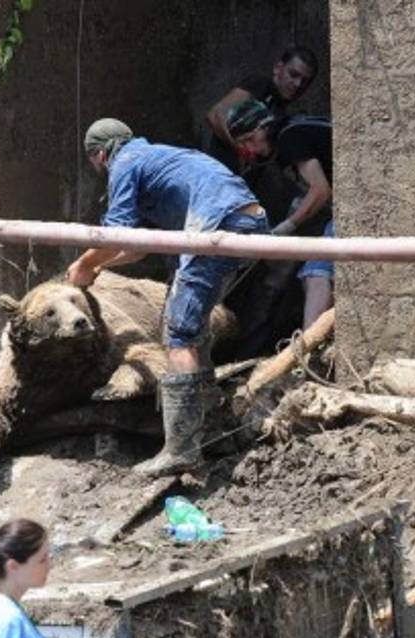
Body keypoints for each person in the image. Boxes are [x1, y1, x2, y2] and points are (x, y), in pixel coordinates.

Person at [67, 118, 268, 477]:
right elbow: (136, 249)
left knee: (179, 338)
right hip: (246, 220)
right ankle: (212, 432)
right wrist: (98, 267)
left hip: (216, 226)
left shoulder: (125, 162)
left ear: (99, 155)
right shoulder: (157, 160)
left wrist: (83, 264)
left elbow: (116, 235)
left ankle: (181, 449)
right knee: (195, 333)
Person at [228, 99, 334, 330]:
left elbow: (321, 190)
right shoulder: (295, 129)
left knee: (317, 271)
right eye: (243, 144)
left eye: (250, 139)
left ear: (265, 127)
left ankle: (309, 349)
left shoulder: (290, 138)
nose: (251, 149)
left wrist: (288, 225)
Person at [205, 45, 319, 171]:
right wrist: (239, 148)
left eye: (305, 81)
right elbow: (215, 114)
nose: (298, 84)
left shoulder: (282, 112)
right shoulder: (261, 85)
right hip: (217, 173)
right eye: (293, 74)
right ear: (278, 68)